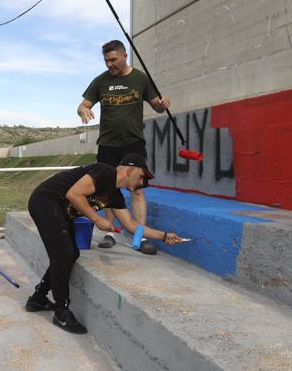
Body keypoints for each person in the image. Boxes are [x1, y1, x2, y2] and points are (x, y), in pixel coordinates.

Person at [26, 154, 188, 334]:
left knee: (71, 254)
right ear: (130, 170)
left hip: (58, 211)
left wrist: (164, 236)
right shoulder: (105, 172)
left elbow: (132, 226)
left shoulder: (115, 196)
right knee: (63, 255)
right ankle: (61, 312)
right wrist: (96, 219)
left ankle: (38, 299)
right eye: (142, 177)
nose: (143, 183)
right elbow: (74, 194)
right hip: (45, 202)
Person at [78, 39, 171, 254]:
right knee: (107, 190)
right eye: (106, 61)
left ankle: (141, 236)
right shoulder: (100, 81)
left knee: (137, 191)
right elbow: (83, 104)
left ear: (124, 56)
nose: (109, 64)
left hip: (133, 144)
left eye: (113, 60)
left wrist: (162, 104)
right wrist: (83, 110)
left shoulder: (140, 78)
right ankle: (110, 233)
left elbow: (157, 105)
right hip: (107, 144)